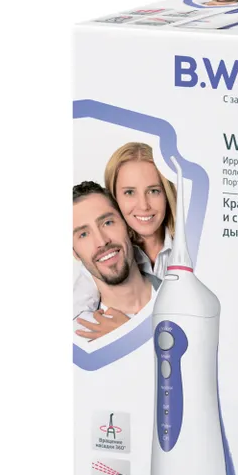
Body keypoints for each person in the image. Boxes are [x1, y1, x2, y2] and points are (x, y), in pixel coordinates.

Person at [73, 143, 178, 335]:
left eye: (153, 191)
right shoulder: (104, 259)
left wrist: (131, 331)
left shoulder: (191, 245)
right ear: (116, 200)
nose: (144, 206)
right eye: (129, 192)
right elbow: (76, 315)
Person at [72, 182, 159, 340]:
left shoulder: (183, 296)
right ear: (74, 253)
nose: (101, 241)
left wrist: (132, 336)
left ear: (128, 226)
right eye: (83, 234)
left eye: (107, 223)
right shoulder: (80, 340)